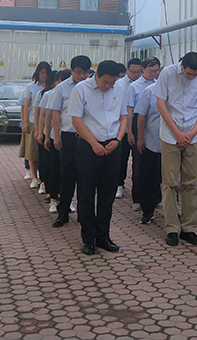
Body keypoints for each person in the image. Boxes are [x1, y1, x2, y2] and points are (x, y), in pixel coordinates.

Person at [68, 60, 128, 255]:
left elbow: (124, 117)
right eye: (105, 82)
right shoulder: (81, 89)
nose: (108, 86)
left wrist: (118, 140)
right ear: (96, 75)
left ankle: (103, 236)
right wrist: (94, 143)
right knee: (86, 193)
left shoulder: (119, 88)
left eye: (112, 82)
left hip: (113, 146)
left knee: (107, 194)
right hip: (88, 146)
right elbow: (76, 120)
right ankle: (88, 238)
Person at [154, 52, 197, 246]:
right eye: (188, 74)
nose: (192, 77)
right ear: (182, 66)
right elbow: (161, 105)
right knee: (170, 183)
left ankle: (188, 227)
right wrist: (177, 133)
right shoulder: (167, 73)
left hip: (193, 136)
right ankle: (171, 227)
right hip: (170, 135)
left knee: (191, 183)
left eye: (195, 74)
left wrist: (194, 131)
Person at [49, 55, 91, 227]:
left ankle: (83, 214)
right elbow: (56, 112)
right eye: (78, 72)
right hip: (68, 136)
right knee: (67, 175)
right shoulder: (62, 88)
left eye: (85, 72)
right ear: (72, 70)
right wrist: (56, 136)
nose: (81, 76)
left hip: (87, 138)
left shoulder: (91, 87)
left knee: (85, 177)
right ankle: (63, 212)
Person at [123, 57, 161, 209]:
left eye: (156, 71)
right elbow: (129, 110)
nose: (153, 73)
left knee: (157, 165)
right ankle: (138, 198)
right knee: (139, 163)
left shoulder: (159, 85)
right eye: (151, 70)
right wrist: (130, 132)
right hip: (137, 122)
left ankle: (156, 197)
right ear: (143, 69)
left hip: (154, 124)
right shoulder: (134, 87)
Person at [18, 62, 51, 188]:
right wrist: (25, 122)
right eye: (42, 73)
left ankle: (43, 178)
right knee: (32, 151)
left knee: (42, 152)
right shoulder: (31, 87)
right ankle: (34, 177)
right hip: (32, 121)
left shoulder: (51, 87)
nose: (43, 76)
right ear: (37, 73)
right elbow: (26, 106)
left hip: (46, 124)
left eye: (46, 73)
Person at [115, 58, 143, 204]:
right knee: (122, 158)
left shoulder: (144, 84)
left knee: (138, 161)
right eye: (133, 72)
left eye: (139, 72)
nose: (136, 74)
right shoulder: (119, 85)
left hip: (138, 127)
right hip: (122, 128)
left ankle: (137, 190)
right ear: (127, 70)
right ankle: (119, 184)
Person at [43, 69, 71, 213]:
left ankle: (68, 200)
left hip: (73, 136)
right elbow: (48, 115)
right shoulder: (54, 93)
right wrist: (48, 136)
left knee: (69, 171)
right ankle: (53, 198)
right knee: (55, 168)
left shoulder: (81, 90)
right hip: (57, 136)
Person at [135, 83, 162, 224]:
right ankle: (147, 211)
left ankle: (172, 211)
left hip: (172, 143)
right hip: (151, 141)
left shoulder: (177, 89)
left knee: (171, 180)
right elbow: (141, 116)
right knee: (148, 177)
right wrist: (140, 138)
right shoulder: (150, 91)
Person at [33, 72, 56, 197]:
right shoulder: (44, 94)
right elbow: (39, 115)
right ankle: (44, 183)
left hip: (56, 134)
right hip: (46, 133)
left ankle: (53, 189)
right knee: (44, 161)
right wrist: (38, 131)